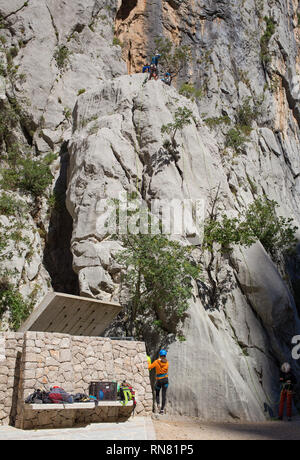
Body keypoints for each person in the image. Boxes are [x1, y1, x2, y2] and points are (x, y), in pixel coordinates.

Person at [148, 349, 169, 414]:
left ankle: (158, 403)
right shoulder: (167, 362)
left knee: (157, 392)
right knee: (164, 394)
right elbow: (164, 365)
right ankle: (162, 410)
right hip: (165, 380)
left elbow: (149, 367)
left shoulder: (156, 362)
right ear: (165, 355)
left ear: (159, 355)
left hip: (159, 380)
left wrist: (148, 362)